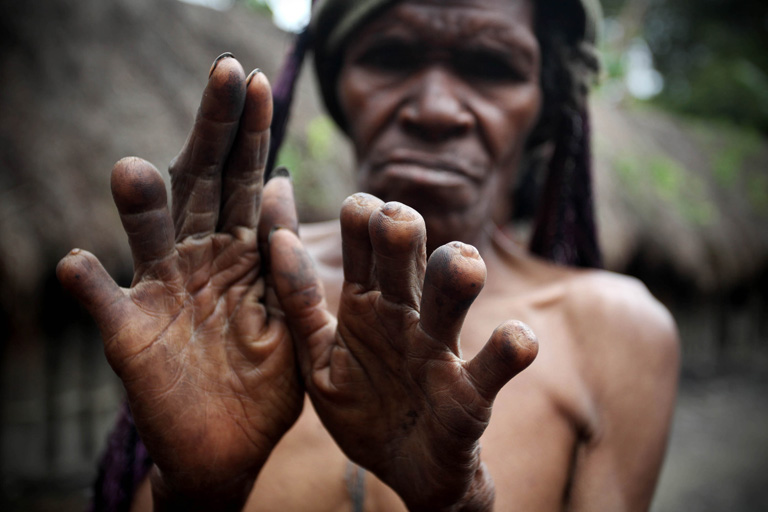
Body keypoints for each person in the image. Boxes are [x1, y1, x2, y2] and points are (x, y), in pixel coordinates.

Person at [57, 0, 680, 510]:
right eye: (390, 56)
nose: (436, 110)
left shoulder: (617, 332)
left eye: (491, 67)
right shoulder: (222, 303)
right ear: (337, 84)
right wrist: (200, 497)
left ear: (544, 104)